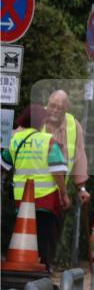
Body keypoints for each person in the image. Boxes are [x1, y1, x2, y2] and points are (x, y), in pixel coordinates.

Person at [2, 104, 70, 272]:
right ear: (41, 122)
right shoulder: (48, 141)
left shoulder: (15, 140)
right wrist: (64, 194)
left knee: (24, 236)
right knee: (45, 239)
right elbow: (57, 171)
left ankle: (23, 268)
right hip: (45, 200)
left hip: (22, 201)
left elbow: (3, 164)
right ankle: (43, 274)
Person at [44, 90, 89, 206]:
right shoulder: (36, 117)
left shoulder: (74, 126)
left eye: (59, 108)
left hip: (58, 196)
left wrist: (82, 189)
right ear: (47, 103)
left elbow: (80, 160)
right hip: (31, 191)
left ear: (66, 109)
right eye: (52, 106)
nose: (54, 110)